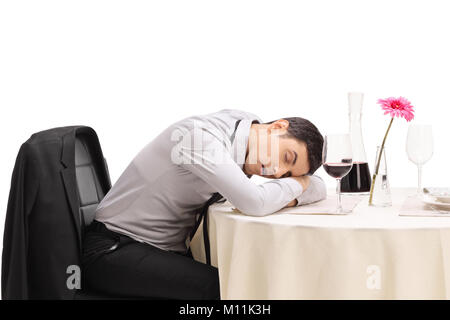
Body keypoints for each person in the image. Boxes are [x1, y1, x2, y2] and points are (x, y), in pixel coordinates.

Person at [81, 109, 326, 299]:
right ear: (277, 126)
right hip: (112, 250)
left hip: (155, 250)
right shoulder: (200, 138)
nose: (277, 171)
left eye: (287, 174)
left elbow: (260, 196)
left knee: (254, 276)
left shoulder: (246, 130)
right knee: (225, 289)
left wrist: (307, 184)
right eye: (287, 157)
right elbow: (254, 201)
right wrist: (304, 184)